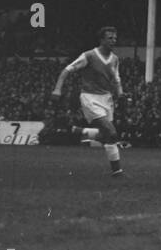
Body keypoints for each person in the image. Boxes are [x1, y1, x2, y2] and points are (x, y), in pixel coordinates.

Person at [51, 25, 125, 177]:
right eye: (110, 38)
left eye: (115, 38)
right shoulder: (89, 55)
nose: (114, 40)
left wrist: (120, 92)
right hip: (90, 98)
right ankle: (117, 172)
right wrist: (58, 89)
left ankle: (81, 131)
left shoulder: (115, 59)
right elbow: (67, 70)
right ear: (101, 40)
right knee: (111, 132)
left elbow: (116, 78)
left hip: (107, 99)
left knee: (108, 135)